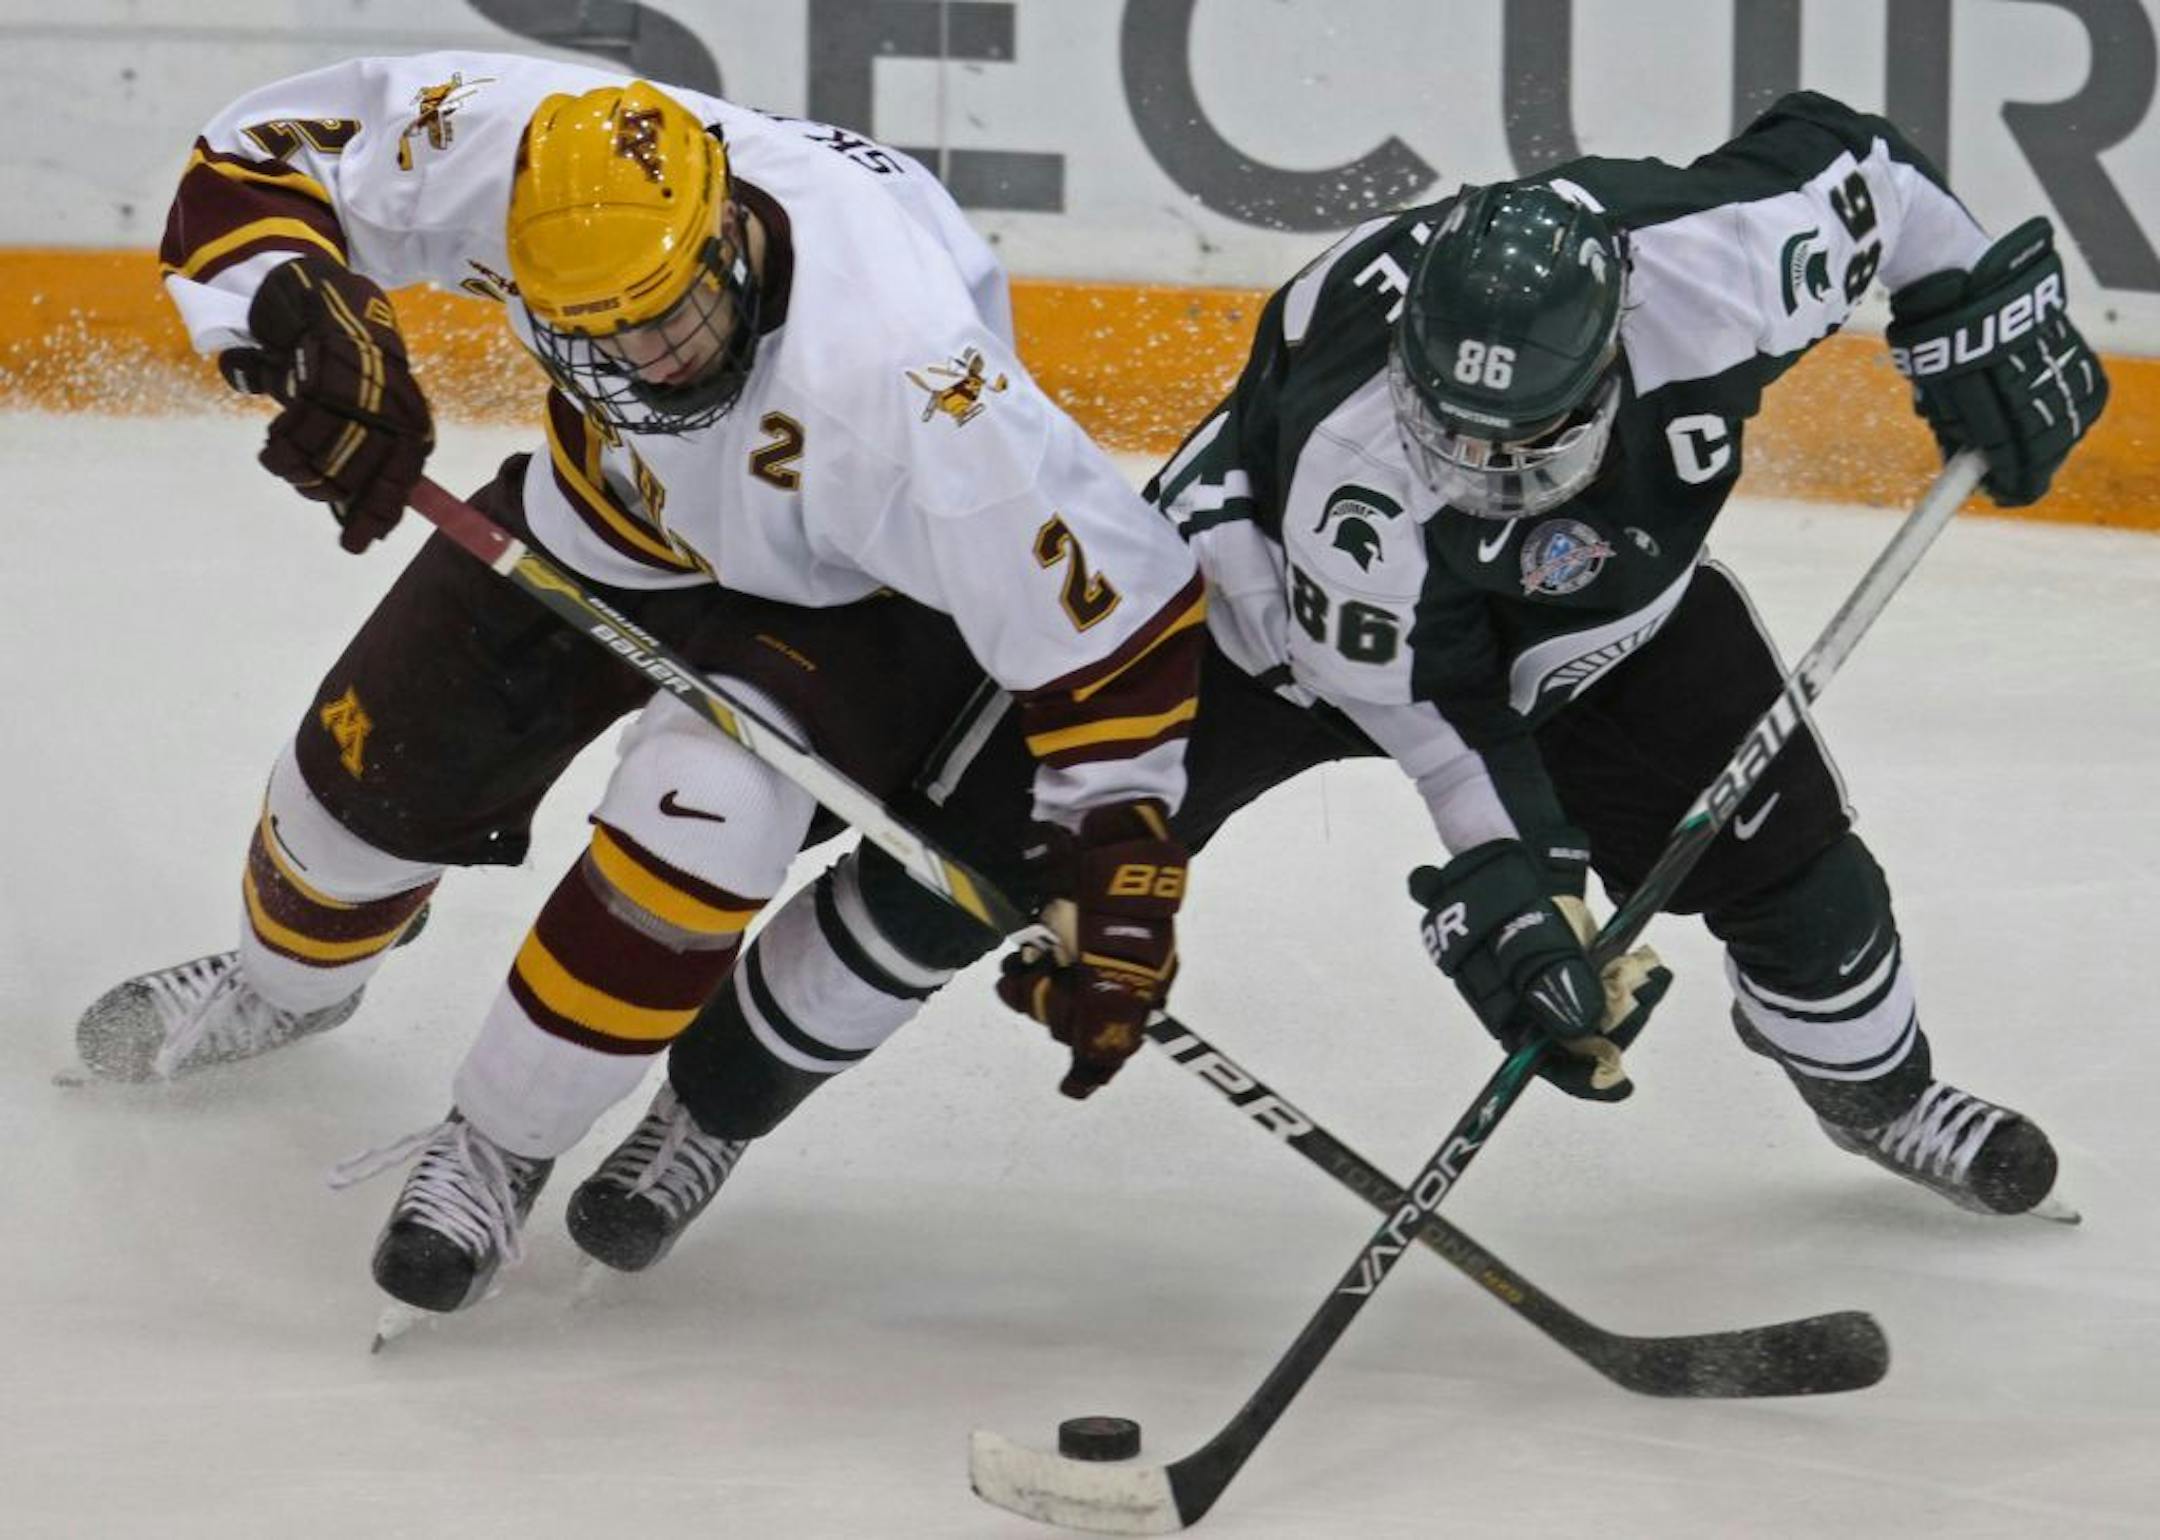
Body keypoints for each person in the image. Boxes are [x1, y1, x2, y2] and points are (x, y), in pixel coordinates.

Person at [552, 89, 2103, 1276]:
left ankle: (1876, 1093)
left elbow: (1873, 174)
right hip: (1250, 632)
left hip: (1606, 629)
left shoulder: (1719, 262)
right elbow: (1438, 712)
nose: (1479, 472)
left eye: (1520, 446)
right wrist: (1523, 894)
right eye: (1452, 433)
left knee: (1809, 887)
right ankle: (707, 1109)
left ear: (1614, 355)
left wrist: (1977, 306)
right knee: (964, 872)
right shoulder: (1359, 474)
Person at [78, 53, 1209, 1312]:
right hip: (608, 513)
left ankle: (498, 1144)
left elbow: (1122, 616)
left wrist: (1112, 844)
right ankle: (281, 989)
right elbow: (259, 157)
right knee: (358, 789)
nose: (645, 361)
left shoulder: (913, 383)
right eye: (596, 331)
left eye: (668, 316)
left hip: (854, 595)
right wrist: (308, 320)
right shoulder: (512, 157)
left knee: (701, 825)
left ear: (724, 232)